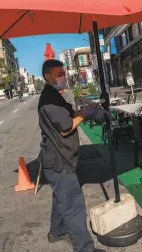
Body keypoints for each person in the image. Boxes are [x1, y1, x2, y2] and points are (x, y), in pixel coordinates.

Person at [38, 59, 101, 252]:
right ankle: (84, 248)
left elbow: (70, 116)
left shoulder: (54, 96)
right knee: (73, 205)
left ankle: (56, 232)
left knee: (61, 199)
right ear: (48, 76)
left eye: (63, 73)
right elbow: (65, 128)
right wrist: (85, 114)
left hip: (56, 160)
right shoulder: (49, 99)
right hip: (60, 161)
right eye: (59, 74)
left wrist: (83, 112)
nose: (63, 77)